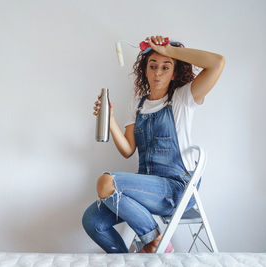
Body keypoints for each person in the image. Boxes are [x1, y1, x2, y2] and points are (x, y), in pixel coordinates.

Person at [82, 35, 225, 253]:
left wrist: (169, 50)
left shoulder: (182, 98)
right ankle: (129, 260)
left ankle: (155, 241)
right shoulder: (137, 104)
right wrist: (110, 120)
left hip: (177, 188)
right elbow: (128, 150)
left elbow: (217, 63)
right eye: (153, 65)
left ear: (175, 72)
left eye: (166, 67)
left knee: (105, 182)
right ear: (145, 69)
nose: (158, 72)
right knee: (92, 220)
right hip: (146, 188)